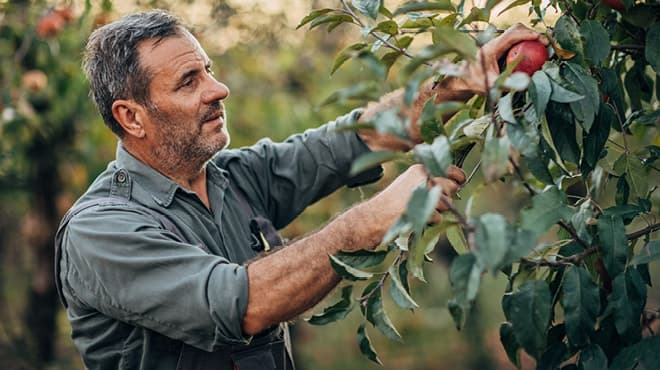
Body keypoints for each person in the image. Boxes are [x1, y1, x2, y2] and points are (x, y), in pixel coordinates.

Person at [54, 9, 547, 370]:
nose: (217, 88)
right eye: (188, 81)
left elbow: (359, 137)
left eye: (208, 69)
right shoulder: (101, 231)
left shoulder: (232, 177)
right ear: (131, 117)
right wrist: (368, 222)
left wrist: (460, 80)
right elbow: (242, 304)